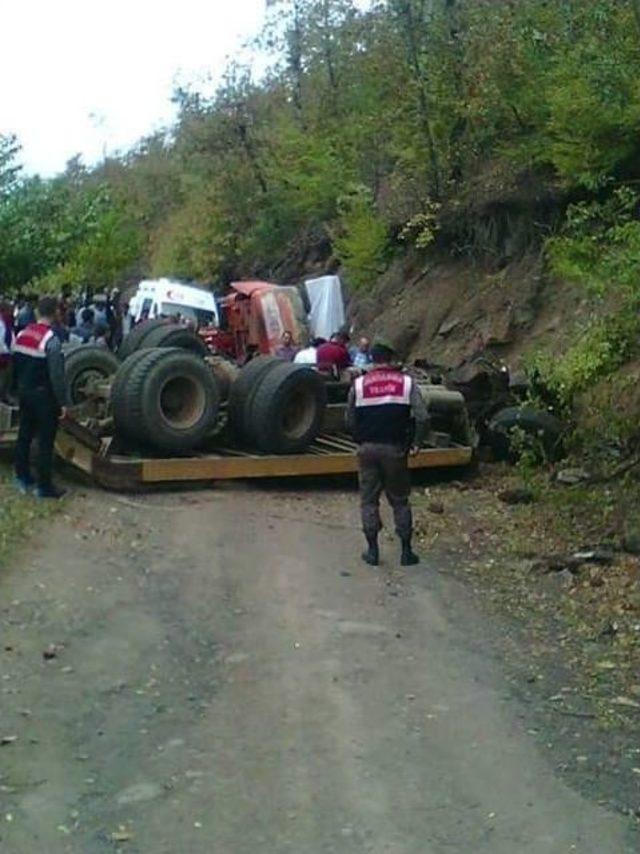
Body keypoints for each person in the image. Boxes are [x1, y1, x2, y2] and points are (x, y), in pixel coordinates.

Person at [346, 341, 429, 567]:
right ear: (391, 358)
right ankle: (406, 552)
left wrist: (360, 439)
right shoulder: (407, 383)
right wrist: (416, 443)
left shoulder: (359, 384)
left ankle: (372, 552)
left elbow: (349, 419)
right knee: (400, 500)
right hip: (395, 449)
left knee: (369, 501)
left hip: (367, 449)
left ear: (371, 358)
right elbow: (422, 417)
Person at [12, 296, 69, 499]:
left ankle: (22, 476)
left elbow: (15, 366)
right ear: (54, 312)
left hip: (24, 393)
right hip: (44, 397)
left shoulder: (22, 334)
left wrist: (16, 390)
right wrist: (62, 403)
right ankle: (44, 487)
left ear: (38, 312)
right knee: (45, 441)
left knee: (24, 436)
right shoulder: (51, 340)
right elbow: (56, 375)